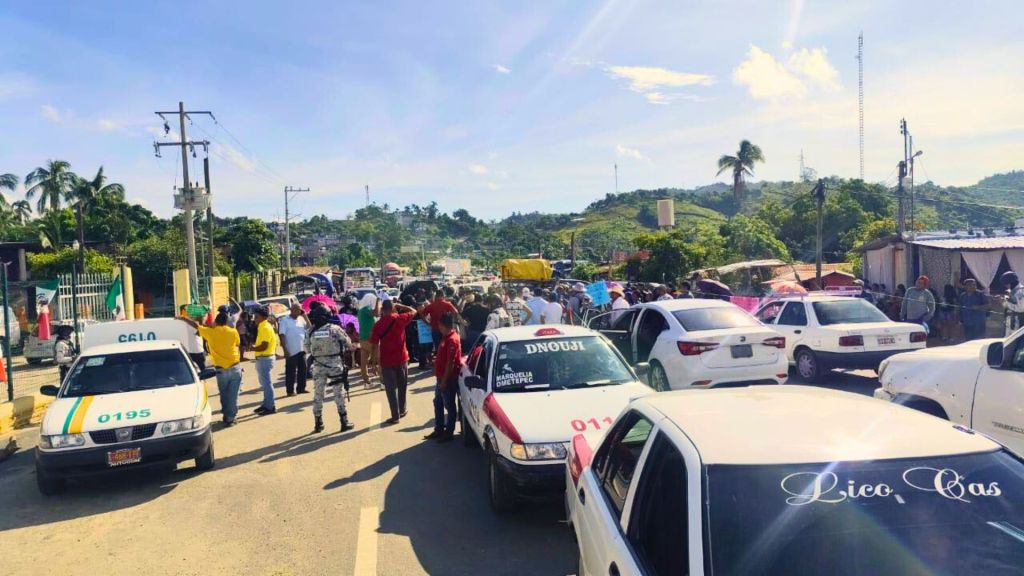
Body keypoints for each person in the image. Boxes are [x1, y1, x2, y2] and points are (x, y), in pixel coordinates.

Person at [179, 313, 242, 426]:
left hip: (220, 370)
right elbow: (237, 344)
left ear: (216, 322)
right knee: (233, 395)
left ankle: (227, 415)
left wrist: (183, 318)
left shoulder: (210, 332)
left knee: (224, 394)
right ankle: (230, 418)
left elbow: (196, 325)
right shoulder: (233, 331)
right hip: (235, 367)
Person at [370, 299, 419, 424]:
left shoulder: (378, 324)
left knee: (391, 390)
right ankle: (402, 409)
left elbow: (374, 345)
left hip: (387, 361)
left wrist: (374, 363)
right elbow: (414, 311)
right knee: (402, 385)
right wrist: (400, 305)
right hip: (402, 359)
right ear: (392, 308)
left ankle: (395, 415)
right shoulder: (400, 318)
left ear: (382, 310)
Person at [306, 306, 353, 433]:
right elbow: (348, 343)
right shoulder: (335, 329)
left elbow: (306, 349)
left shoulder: (310, 332)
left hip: (318, 365)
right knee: (338, 393)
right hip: (334, 365)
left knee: (318, 394)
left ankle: (318, 423)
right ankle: (344, 421)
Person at [425, 312, 462, 443]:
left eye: (440, 325)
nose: (438, 328)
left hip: (448, 379)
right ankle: (439, 429)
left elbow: (450, 362)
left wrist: (445, 381)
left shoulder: (452, 339)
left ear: (443, 325)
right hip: (440, 378)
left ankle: (449, 432)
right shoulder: (445, 337)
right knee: (438, 402)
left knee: (449, 406)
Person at [251, 307, 278, 415]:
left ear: (262, 317)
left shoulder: (265, 327)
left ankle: (270, 406)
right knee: (264, 383)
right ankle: (266, 404)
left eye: (256, 317)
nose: (254, 319)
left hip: (265, 358)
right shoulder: (263, 326)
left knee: (267, 383)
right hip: (263, 358)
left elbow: (264, 346)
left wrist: (252, 348)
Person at [278, 303, 309, 396]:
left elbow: (309, 327)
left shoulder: (301, 319)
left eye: (300, 310)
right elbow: (281, 335)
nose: (298, 311)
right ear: (291, 310)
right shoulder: (284, 320)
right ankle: (290, 391)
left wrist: (305, 315)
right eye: (296, 309)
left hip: (302, 349)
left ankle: (301, 388)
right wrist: (285, 350)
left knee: (303, 370)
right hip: (291, 350)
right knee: (291, 372)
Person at [421, 291, 460, 358]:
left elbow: (422, 314)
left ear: (436, 295)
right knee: (447, 345)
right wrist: (452, 322)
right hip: (446, 329)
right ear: (442, 295)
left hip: (435, 328)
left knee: (438, 346)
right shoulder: (447, 304)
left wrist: (427, 323)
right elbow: (456, 312)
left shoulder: (432, 305)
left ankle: (440, 359)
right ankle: (446, 359)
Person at [357, 293, 379, 388]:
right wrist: (378, 301)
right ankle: (382, 382)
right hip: (370, 338)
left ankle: (366, 382)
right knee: (380, 358)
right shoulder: (366, 309)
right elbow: (376, 313)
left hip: (362, 338)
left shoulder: (360, 310)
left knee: (364, 361)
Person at [1003, 271, 1024, 336]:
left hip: (1018, 321)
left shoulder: (1020, 291)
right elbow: (1008, 306)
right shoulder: (1012, 291)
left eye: (1006, 284)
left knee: (1015, 342)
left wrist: (1006, 300)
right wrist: (1002, 301)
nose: (1006, 286)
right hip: (1010, 320)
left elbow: (1021, 308)